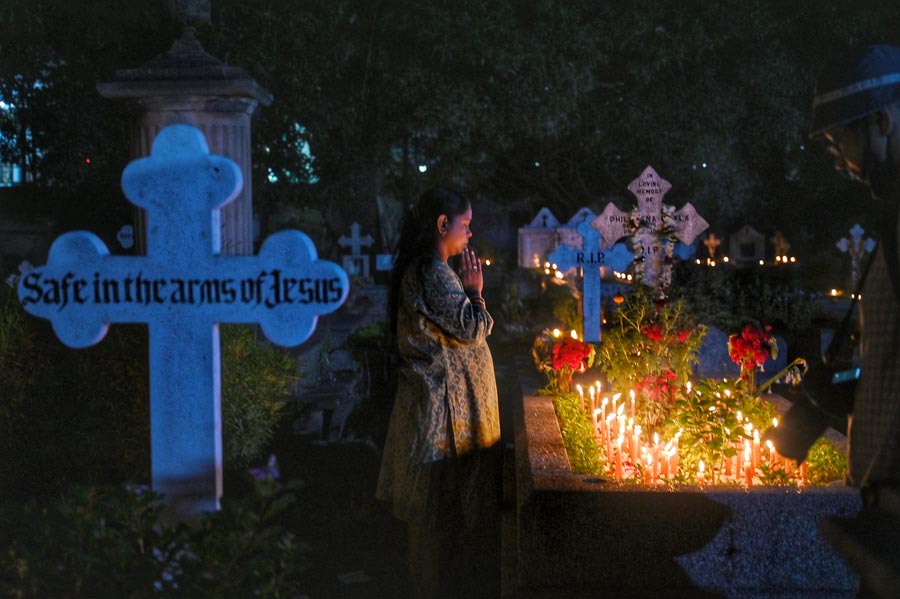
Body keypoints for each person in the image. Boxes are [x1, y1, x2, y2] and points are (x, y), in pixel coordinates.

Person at [376, 187, 501, 598]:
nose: (469, 234)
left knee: (437, 515)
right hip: (435, 417)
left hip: (438, 413)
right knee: (428, 516)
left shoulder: (431, 270)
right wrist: (475, 290)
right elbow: (471, 327)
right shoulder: (432, 271)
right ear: (442, 225)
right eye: (464, 225)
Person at [811, 45, 900, 596]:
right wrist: (842, 390)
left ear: (881, 121)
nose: (836, 156)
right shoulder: (890, 220)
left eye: (837, 137)